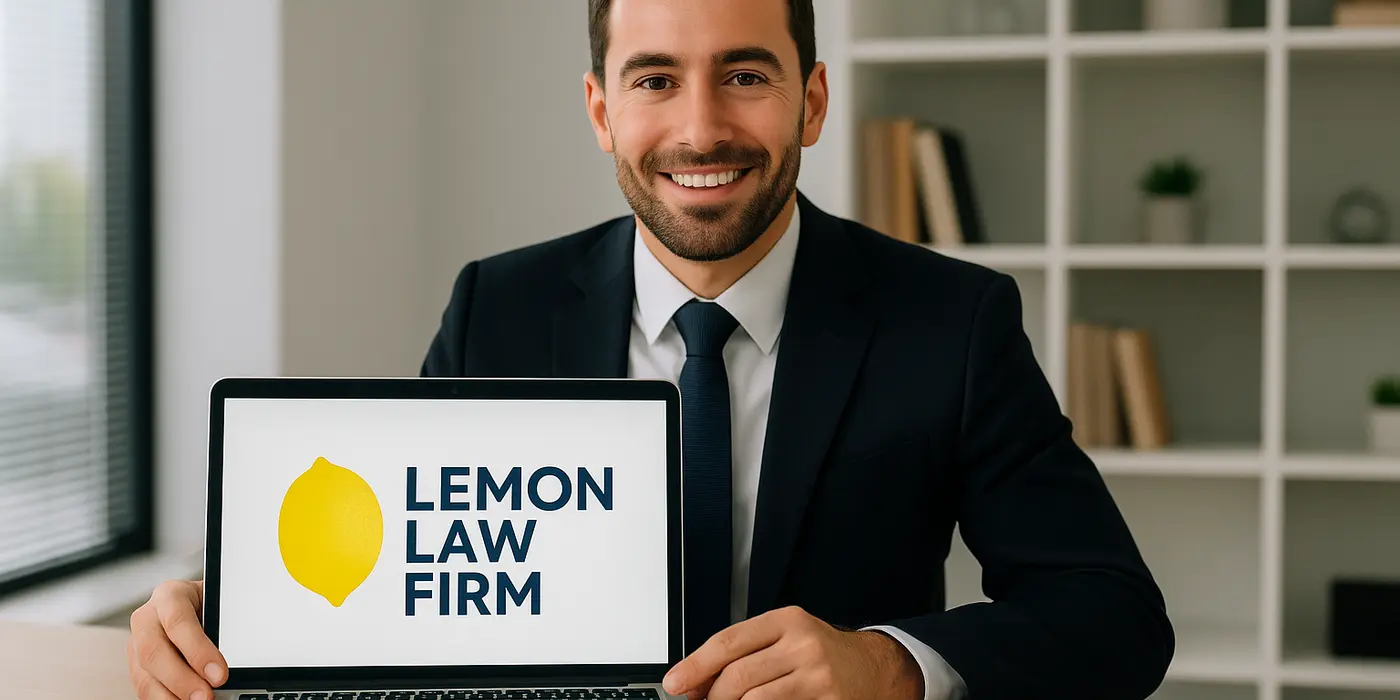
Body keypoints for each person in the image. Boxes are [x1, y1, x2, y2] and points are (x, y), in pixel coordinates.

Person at [127, 0, 1175, 698]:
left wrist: (887, 666)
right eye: (655, 79)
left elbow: (1113, 615)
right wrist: (221, 609)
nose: (699, 128)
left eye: (745, 75)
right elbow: (412, 553)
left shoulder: (950, 320)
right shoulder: (497, 305)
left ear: (811, 100)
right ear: (601, 109)